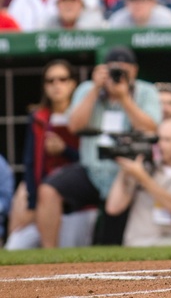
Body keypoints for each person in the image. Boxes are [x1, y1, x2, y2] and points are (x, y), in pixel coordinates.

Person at [35, 46, 161, 248]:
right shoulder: (87, 89)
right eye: (113, 70)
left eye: (123, 70)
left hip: (126, 169)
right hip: (91, 167)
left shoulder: (146, 91)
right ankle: (48, 254)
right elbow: (74, 125)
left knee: (111, 234)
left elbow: (150, 128)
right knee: (49, 189)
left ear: (134, 71)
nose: (118, 75)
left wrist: (124, 98)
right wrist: (95, 89)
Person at [3, 60, 80, 250]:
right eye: (50, 81)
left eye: (62, 79)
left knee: (70, 254)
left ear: (73, 83)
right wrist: (31, 205)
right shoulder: (39, 117)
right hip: (41, 202)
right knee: (15, 246)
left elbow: (90, 162)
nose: (56, 85)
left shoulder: (81, 116)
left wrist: (65, 150)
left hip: (75, 204)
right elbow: (30, 164)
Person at [104, 117, 171, 247]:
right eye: (158, 139)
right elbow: (113, 208)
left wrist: (143, 178)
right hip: (140, 242)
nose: (160, 145)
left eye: (167, 140)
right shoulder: (143, 167)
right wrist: (126, 165)